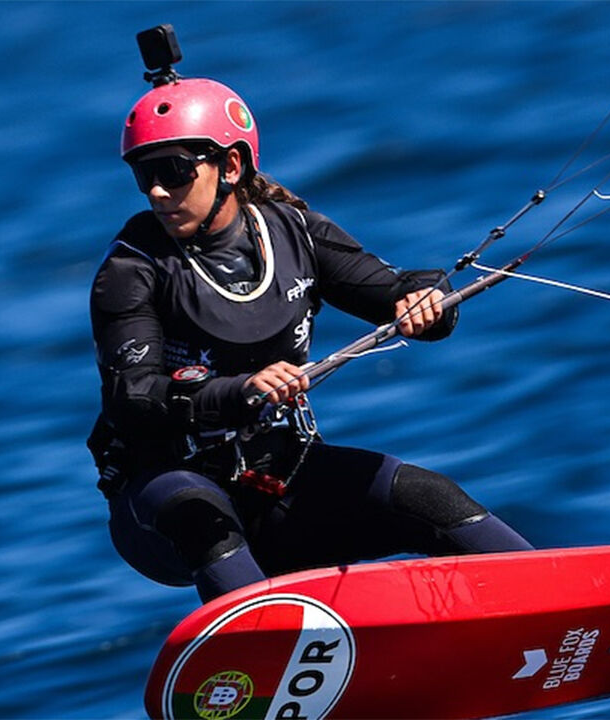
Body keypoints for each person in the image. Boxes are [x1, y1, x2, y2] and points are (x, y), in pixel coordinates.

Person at [88, 69, 532, 603]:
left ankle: (562, 603)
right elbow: (133, 398)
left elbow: (396, 288)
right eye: (144, 175)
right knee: (205, 524)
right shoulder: (131, 269)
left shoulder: (293, 232)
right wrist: (240, 390)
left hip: (278, 480)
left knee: (428, 495)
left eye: (173, 170)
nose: (158, 191)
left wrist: (424, 302)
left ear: (231, 166)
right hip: (166, 499)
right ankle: (269, 643)